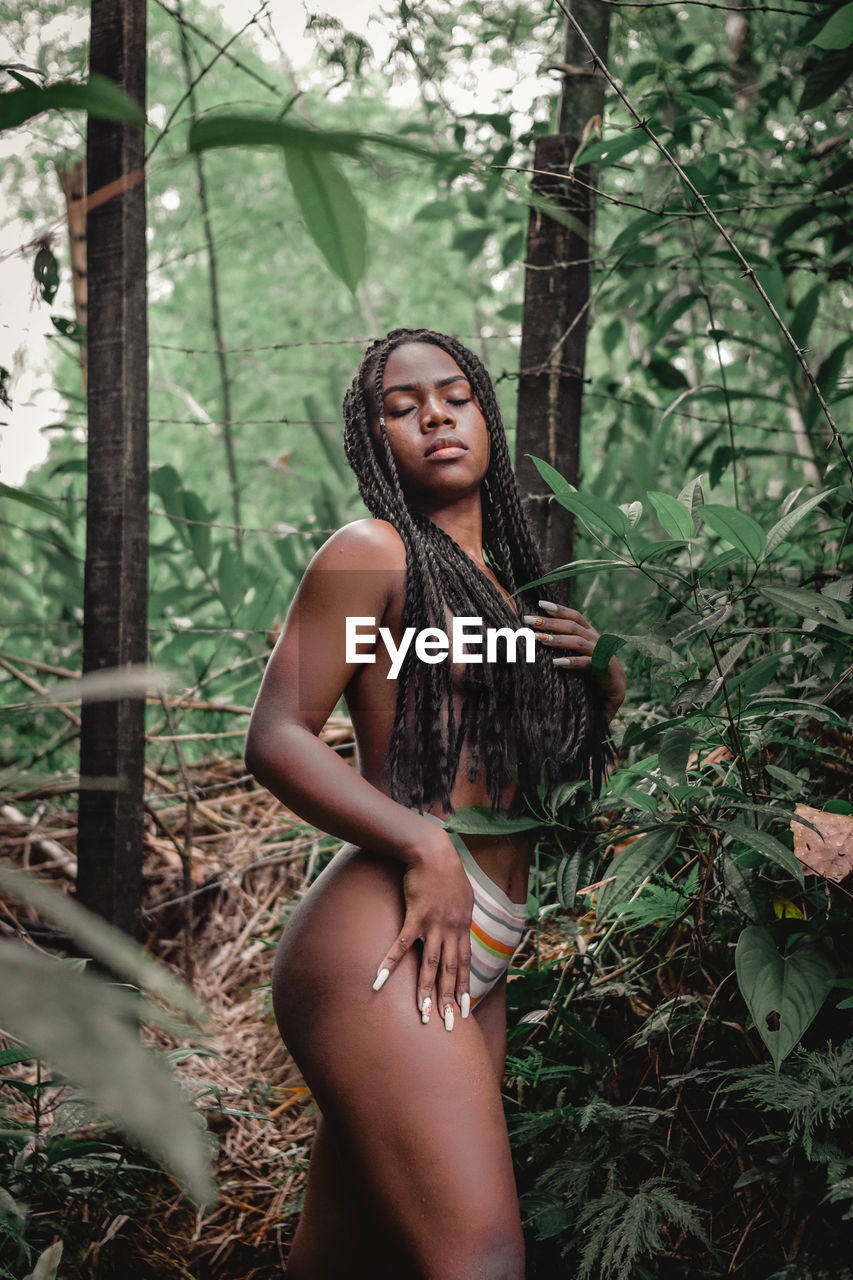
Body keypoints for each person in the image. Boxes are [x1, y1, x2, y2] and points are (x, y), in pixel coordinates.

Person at [245, 328, 627, 1279]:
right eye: (402, 405)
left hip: (478, 942)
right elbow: (276, 736)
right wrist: (422, 845)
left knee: (349, 1256)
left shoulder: (503, 586)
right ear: (373, 439)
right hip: (389, 934)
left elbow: (543, 772)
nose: (434, 415)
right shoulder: (370, 549)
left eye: (455, 395)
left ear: (486, 417)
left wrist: (601, 679)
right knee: (483, 1259)